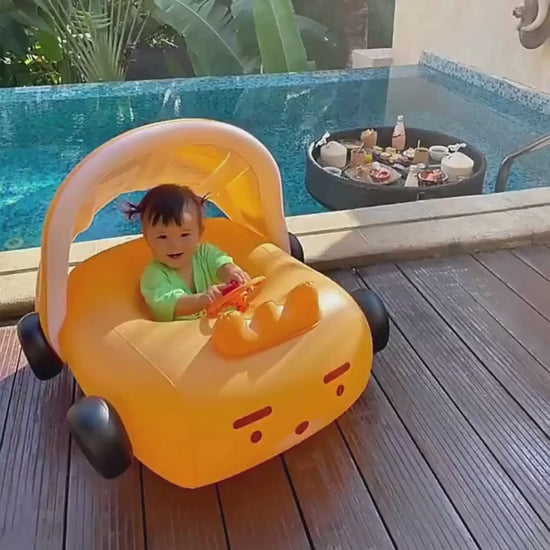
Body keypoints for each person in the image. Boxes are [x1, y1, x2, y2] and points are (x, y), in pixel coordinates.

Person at [124, 184, 250, 321]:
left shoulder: (205, 253)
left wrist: (233, 273)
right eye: (162, 237)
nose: (174, 245)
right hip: (184, 333)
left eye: (184, 235)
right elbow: (175, 304)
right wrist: (203, 299)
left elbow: (221, 264)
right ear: (147, 237)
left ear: (199, 232)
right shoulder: (153, 276)